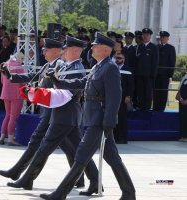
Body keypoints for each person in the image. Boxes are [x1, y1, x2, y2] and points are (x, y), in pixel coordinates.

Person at [40, 32, 135, 200]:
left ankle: (60, 193)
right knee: (112, 157)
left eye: (95, 46)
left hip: (99, 121)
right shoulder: (98, 66)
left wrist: (109, 121)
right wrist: (57, 81)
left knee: (81, 156)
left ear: (105, 50)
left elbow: (114, 97)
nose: (92, 48)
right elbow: (80, 83)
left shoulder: (110, 68)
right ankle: (129, 192)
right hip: (93, 118)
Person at [6, 36, 99, 194]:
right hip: (63, 114)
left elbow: (67, 93)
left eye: (66, 49)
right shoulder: (67, 66)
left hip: (66, 114)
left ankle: (27, 178)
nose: (64, 51)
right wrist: (34, 93)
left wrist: (38, 94)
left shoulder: (77, 68)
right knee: (80, 151)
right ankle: (95, 181)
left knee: (44, 147)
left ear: (76, 51)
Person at [0, 52, 24, 146]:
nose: (22, 61)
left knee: (7, 115)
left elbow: (2, 81)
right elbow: (23, 81)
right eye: (22, 59)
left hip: (5, 93)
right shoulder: (19, 67)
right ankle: (10, 139)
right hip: (16, 94)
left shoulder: (5, 65)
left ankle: (1, 138)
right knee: (13, 117)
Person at [135, 28, 158, 111]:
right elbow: (136, 60)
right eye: (143, 35)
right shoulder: (139, 46)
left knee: (148, 93)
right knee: (140, 92)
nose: (145, 36)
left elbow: (155, 62)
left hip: (149, 75)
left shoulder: (153, 47)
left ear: (150, 36)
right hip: (139, 74)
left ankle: (147, 108)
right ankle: (141, 107)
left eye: (147, 35)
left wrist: (153, 75)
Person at [113, 53, 134, 144]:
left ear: (124, 59)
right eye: (116, 58)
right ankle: (115, 137)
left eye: (120, 58)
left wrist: (128, 96)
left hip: (123, 97)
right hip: (113, 97)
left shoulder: (128, 70)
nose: (118, 59)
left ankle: (122, 138)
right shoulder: (112, 69)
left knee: (122, 118)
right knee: (114, 118)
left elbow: (131, 85)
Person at [153, 31, 176, 112]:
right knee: (155, 92)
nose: (162, 39)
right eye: (161, 37)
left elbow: (172, 62)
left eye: (164, 37)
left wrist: (170, 75)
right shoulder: (156, 47)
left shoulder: (170, 48)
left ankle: (161, 108)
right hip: (156, 74)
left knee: (163, 92)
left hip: (165, 75)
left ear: (167, 38)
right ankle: (155, 107)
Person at [177, 70, 187, 141]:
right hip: (181, 101)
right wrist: (181, 99)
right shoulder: (184, 77)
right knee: (182, 118)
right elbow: (179, 89)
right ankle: (182, 136)